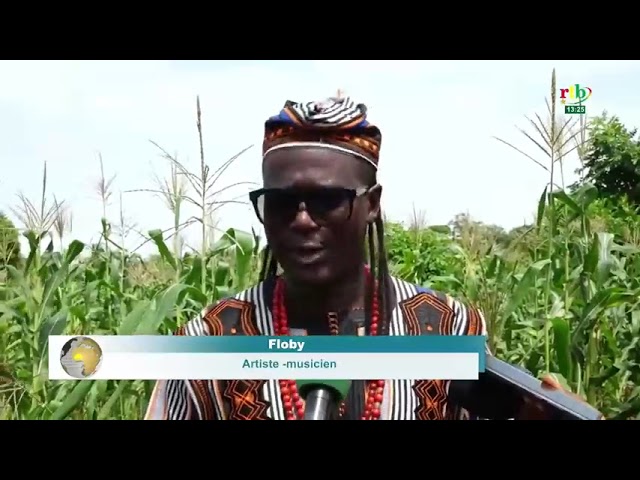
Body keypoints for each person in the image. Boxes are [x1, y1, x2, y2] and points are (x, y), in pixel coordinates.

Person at [144, 95, 599, 420]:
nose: (302, 221)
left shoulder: (446, 329)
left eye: (326, 201)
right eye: (282, 203)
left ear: (373, 203)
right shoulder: (208, 343)